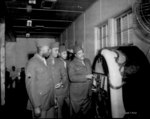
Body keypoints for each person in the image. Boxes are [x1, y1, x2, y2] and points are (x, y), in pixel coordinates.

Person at [25, 39, 55, 118]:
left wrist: (53, 98)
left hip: (48, 101)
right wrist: (36, 106)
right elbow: (30, 86)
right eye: (48, 49)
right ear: (42, 49)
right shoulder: (32, 63)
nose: (50, 51)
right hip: (40, 102)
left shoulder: (44, 60)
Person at [68, 45, 94, 118]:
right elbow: (72, 78)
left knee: (86, 113)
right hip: (77, 94)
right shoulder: (72, 64)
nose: (82, 54)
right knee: (76, 114)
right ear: (75, 55)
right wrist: (85, 77)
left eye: (82, 52)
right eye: (79, 53)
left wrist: (91, 87)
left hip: (87, 92)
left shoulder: (87, 61)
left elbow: (91, 73)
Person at [47, 42, 68, 118]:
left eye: (58, 50)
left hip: (59, 93)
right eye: (55, 50)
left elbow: (65, 76)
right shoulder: (45, 62)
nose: (57, 52)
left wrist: (61, 83)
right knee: (51, 114)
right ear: (50, 51)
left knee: (59, 114)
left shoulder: (60, 62)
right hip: (49, 94)